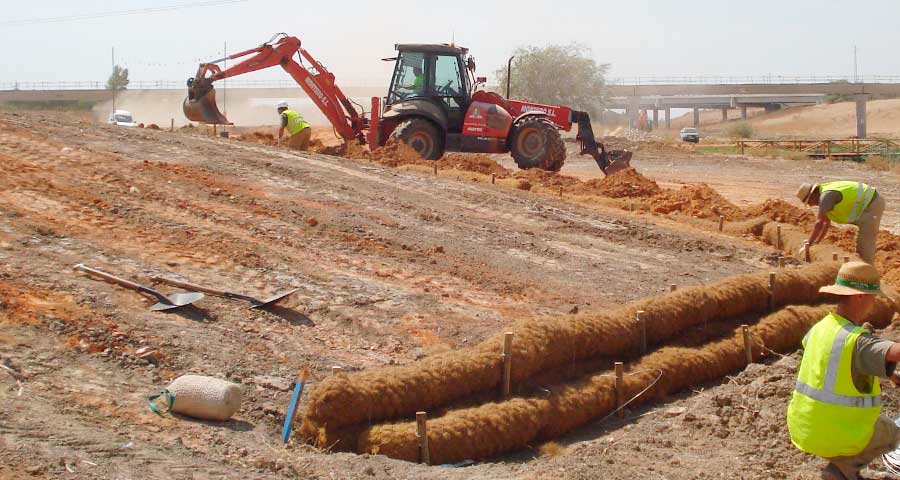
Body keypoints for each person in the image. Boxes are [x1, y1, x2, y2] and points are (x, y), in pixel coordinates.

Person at [787, 261, 900, 480]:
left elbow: (836, 364)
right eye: (873, 297)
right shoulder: (856, 340)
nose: (874, 303)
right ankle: (842, 469)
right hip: (838, 433)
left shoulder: (821, 328)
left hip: (805, 427)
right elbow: (894, 352)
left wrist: (890, 375)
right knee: (894, 434)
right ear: (860, 296)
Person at [796, 182, 885, 263]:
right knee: (861, 244)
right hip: (864, 207)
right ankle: (860, 269)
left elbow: (819, 223)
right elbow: (826, 224)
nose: (810, 205)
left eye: (808, 202)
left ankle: (867, 274)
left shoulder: (826, 197)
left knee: (865, 242)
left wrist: (809, 243)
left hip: (872, 203)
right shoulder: (825, 196)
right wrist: (816, 242)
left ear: (813, 194)